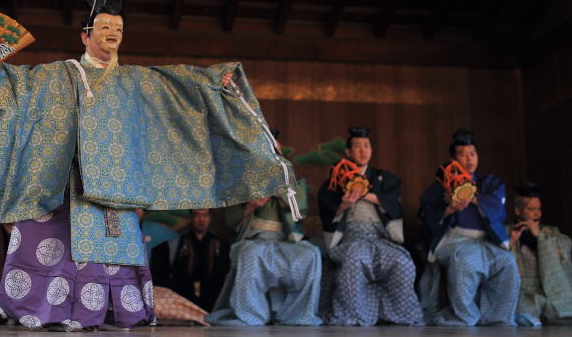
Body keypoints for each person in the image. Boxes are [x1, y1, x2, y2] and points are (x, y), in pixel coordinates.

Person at [0, 0, 297, 331]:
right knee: (53, 243)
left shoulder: (137, 81)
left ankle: (112, 310)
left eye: (118, 28)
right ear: (85, 35)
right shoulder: (60, 75)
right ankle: (48, 309)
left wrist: (216, 83)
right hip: (65, 183)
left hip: (115, 190)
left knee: (113, 251)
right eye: (104, 27)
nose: (113, 33)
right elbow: (17, 89)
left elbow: (182, 87)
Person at [206, 131, 322, 326]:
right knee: (251, 254)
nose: (273, 154)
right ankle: (252, 315)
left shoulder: (293, 182)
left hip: (283, 242)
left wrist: (279, 191)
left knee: (310, 254)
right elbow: (232, 223)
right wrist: (251, 206)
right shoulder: (245, 181)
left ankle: (297, 315)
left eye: (276, 150)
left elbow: (299, 211)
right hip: (255, 240)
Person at [317, 127, 423, 326]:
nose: (363, 150)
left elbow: (392, 202)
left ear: (372, 151)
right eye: (357, 146)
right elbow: (328, 209)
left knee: (402, 263)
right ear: (348, 152)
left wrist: (361, 192)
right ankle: (354, 316)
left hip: (381, 237)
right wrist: (345, 204)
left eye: (367, 146)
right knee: (354, 260)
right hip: (352, 238)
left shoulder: (384, 178)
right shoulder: (336, 179)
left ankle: (400, 316)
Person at [418, 129, 520, 326]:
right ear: (453, 160)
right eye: (463, 154)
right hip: (454, 242)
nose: (469, 159)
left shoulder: (489, 183)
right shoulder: (440, 187)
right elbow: (427, 216)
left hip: (485, 241)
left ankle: (497, 317)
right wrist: (450, 208)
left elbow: (497, 206)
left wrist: (471, 196)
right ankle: (464, 316)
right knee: (466, 259)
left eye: (472, 154)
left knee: (507, 262)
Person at [507, 181, 572, 325]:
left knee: (562, 316)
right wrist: (511, 241)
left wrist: (541, 237)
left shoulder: (551, 232)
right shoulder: (507, 232)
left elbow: (565, 246)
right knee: (521, 313)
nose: (538, 214)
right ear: (518, 211)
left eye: (539, 209)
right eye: (531, 209)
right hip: (522, 291)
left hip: (551, 288)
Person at [151, 209, 230, 312]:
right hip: (184, 299)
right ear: (191, 218)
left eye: (205, 215)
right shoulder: (179, 243)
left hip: (212, 299)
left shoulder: (220, 244)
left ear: (210, 218)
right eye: (197, 215)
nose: (201, 219)